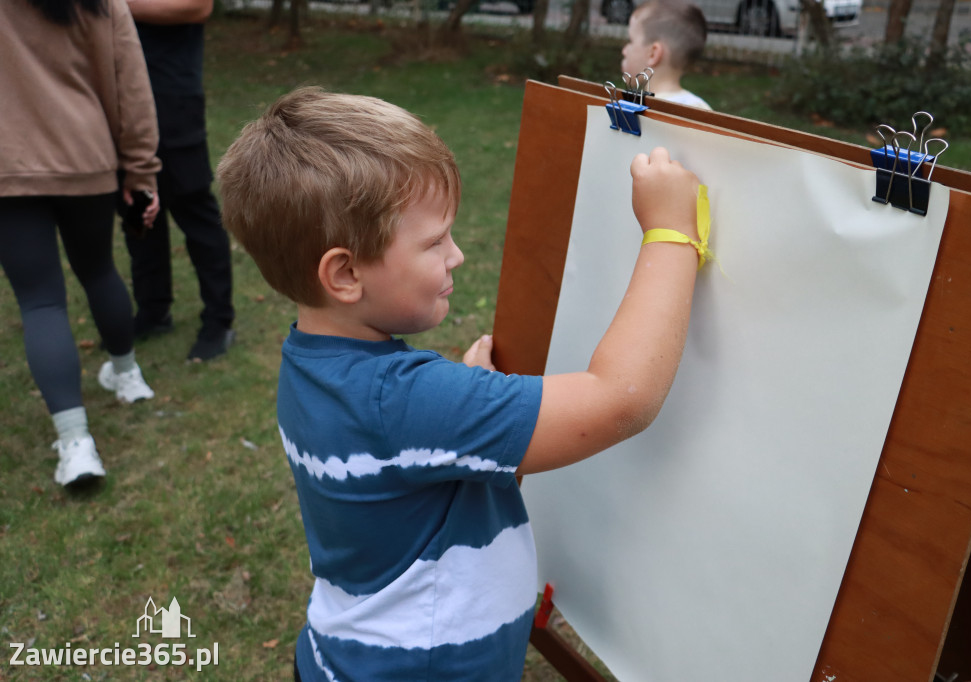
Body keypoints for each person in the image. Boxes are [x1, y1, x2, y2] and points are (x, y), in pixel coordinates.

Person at [216, 86, 708, 682]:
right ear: (344, 273)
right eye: (433, 242)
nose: (458, 255)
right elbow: (621, 399)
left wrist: (463, 421)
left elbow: (402, 467)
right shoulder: (405, 400)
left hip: (337, 659)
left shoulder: (310, 361)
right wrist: (671, 233)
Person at [0, 0, 161, 487]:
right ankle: (128, 377)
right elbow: (133, 87)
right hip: (87, 155)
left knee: (41, 300)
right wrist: (141, 171)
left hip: (9, 168)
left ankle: (76, 444)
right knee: (99, 270)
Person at [122, 0, 236, 361]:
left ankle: (219, 320)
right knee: (135, 201)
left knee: (192, 204)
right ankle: (154, 310)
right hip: (120, 94)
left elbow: (198, 6)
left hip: (171, 92)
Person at [621, 0, 713, 110]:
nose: (624, 51)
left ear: (653, 54)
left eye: (631, 41)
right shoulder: (699, 109)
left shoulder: (638, 111)